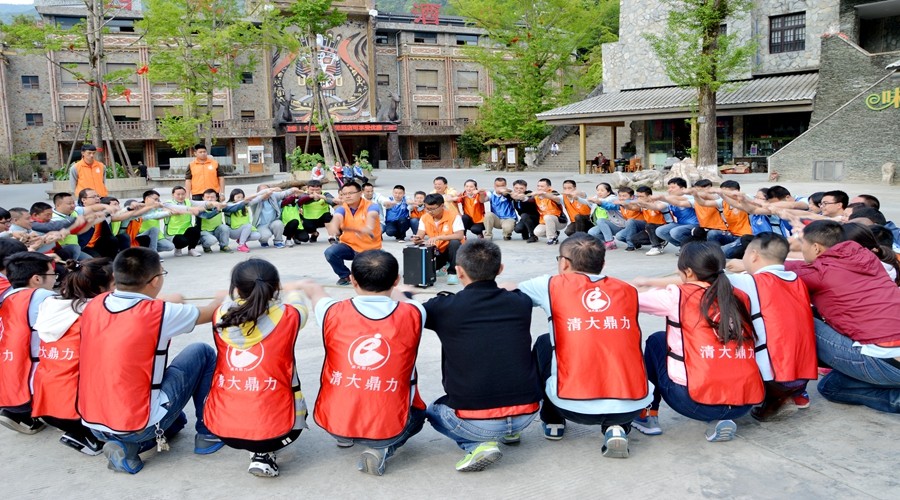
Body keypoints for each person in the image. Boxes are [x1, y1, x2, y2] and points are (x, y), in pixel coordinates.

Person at [77, 247, 225, 474]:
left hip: (93, 422)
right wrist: (221, 298)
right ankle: (208, 434)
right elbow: (211, 312)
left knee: (176, 420)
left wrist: (167, 303)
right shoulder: (160, 312)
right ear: (155, 280)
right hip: (136, 424)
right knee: (201, 352)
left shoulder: (95, 304)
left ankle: (126, 443)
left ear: (115, 276)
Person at [518, 234, 653, 458]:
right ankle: (617, 427)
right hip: (633, 405)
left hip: (569, 405)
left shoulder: (550, 285)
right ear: (603, 264)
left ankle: (553, 420)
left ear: (564, 263)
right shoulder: (627, 290)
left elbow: (510, 293)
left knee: (545, 342)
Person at [419, 240, 540, 472]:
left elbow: (411, 310)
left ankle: (476, 444)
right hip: (527, 414)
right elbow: (515, 290)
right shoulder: (521, 302)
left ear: (459, 271)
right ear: (500, 269)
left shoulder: (442, 307)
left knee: (433, 411)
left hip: (473, 421)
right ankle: (511, 433)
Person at [301, 250, 426, 476]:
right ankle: (382, 447)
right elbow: (404, 300)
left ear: (352, 280)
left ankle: (344, 436)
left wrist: (308, 285)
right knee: (419, 416)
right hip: (388, 425)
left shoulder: (330, 310)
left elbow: (316, 293)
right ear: (396, 280)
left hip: (333, 421)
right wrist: (401, 290)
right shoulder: (415, 313)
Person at [635, 241, 764, 441]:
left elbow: (628, 299)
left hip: (693, 401)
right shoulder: (739, 295)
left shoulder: (677, 296)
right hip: (744, 403)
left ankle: (646, 415)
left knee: (657, 341)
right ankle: (721, 418)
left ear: (688, 272)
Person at [204, 259, 309, 477]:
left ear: (235, 288)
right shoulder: (289, 316)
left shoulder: (220, 315)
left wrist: (227, 296)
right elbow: (300, 305)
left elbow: (229, 303)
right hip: (284, 431)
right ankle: (263, 452)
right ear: (275, 287)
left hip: (223, 428)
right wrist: (293, 290)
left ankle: (257, 449)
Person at [784, 221, 900, 413]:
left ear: (816, 247)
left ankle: (784, 390)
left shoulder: (819, 273)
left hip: (888, 362)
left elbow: (775, 271)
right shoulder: (868, 258)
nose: (801, 248)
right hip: (891, 359)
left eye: (802, 243)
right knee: (831, 387)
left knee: (799, 317)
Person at [32, 258, 114, 455]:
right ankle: (89, 436)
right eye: (116, 284)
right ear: (101, 289)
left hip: (45, 403)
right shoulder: (96, 313)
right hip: (78, 410)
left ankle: (79, 432)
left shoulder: (50, 306)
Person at [0, 252, 58, 435]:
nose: (55, 279)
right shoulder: (43, 296)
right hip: (35, 382)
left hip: (10, 381)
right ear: (37, 279)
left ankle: (19, 414)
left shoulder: (7, 297)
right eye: (52, 274)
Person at [325, 181, 382, 286]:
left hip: (369, 248)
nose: (347, 196)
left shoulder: (371, 206)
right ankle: (345, 276)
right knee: (330, 252)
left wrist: (368, 227)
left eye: (351, 193)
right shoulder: (342, 208)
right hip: (349, 246)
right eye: (344, 194)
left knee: (367, 279)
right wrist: (333, 225)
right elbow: (337, 216)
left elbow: (372, 215)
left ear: (360, 193)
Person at [411, 194, 465, 286]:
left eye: (432, 209)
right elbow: (420, 234)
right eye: (427, 208)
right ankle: (443, 265)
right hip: (437, 251)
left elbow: (460, 235)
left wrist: (439, 237)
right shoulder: (425, 217)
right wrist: (417, 239)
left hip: (453, 251)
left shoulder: (454, 216)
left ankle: (452, 273)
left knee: (455, 243)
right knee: (425, 267)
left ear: (442, 206)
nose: (429, 211)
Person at [162, 186, 204, 257]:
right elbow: (174, 211)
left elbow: (201, 204)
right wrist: (190, 210)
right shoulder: (168, 203)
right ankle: (178, 248)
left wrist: (213, 203)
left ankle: (191, 249)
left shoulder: (188, 202)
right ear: (173, 195)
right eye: (178, 194)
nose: (181, 196)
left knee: (195, 230)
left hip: (186, 230)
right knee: (182, 241)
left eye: (183, 194)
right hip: (173, 233)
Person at [587, 182, 627, 250]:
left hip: (617, 225)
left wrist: (597, 201)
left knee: (600, 220)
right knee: (591, 232)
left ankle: (610, 241)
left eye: (602, 190)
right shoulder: (596, 198)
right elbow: (587, 201)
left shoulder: (612, 198)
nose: (599, 192)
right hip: (605, 225)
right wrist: (577, 198)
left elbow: (607, 203)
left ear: (608, 192)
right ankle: (605, 242)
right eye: (598, 190)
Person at [223, 189, 262, 253]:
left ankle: (241, 240)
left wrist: (266, 192)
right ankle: (241, 245)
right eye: (238, 197)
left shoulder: (245, 205)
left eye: (242, 197)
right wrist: (243, 202)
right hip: (233, 231)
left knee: (257, 235)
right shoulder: (228, 205)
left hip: (243, 230)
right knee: (248, 226)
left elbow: (256, 199)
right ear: (232, 197)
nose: (240, 199)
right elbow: (235, 208)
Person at [196, 189, 233, 253]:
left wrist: (243, 203)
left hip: (216, 230)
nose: (210, 199)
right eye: (207, 197)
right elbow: (207, 216)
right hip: (204, 232)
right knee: (212, 240)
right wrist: (217, 210)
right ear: (203, 198)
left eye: (212, 197)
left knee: (225, 227)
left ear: (216, 198)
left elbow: (232, 208)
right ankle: (206, 246)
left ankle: (224, 246)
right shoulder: (199, 208)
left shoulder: (219, 206)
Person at [532, 178, 564, 245]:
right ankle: (555, 233)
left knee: (547, 217)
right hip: (544, 222)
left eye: (542, 186)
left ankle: (551, 238)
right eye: (538, 186)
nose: (539, 188)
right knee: (537, 232)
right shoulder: (536, 196)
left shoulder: (554, 193)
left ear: (549, 187)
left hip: (559, 221)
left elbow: (557, 199)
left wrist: (544, 194)